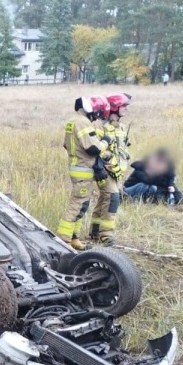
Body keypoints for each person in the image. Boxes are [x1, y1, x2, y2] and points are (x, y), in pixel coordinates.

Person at [56, 96, 110, 250]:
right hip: (83, 171)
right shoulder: (82, 122)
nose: (98, 118)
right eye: (99, 114)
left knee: (83, 205)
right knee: (76, 205)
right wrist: (105, 141)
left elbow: (67, 145)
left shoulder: (74, 121)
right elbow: (93, 148)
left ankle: (74, 238)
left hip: (80, 169)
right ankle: (64, 240)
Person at [89, 93, 132, 245]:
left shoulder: (121, 127)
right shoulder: (100, 126)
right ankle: (106, 235)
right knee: (113, 197)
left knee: (103, 200)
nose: (126, 109)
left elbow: (121, 147)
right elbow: (96, 148)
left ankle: (94, 232)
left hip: (117, 172)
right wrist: (108, 158)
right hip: (104, 170)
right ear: (114, 107)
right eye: (124, 106)